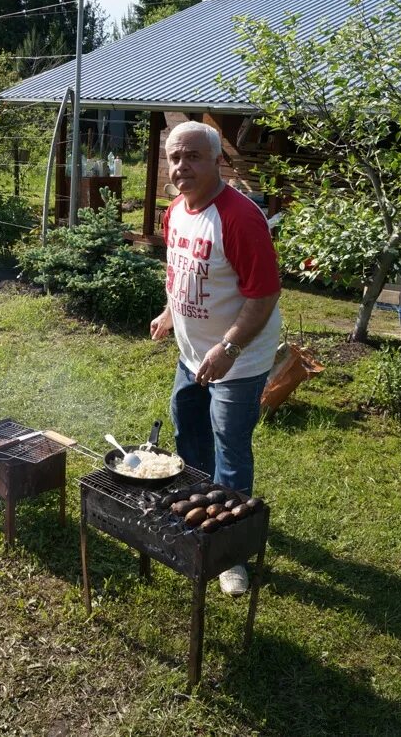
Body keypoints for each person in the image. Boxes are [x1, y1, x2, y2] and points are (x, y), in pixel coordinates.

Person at [149, 121, 282, 596]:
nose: (181, 166)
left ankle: (230, 551)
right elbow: (180, 270)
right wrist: (169, 312)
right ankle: (199, 509)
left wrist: (229, 347)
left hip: (238, 361)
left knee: (230, 447)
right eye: (174, 157)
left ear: (217, 161)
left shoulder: (240, 218)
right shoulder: (176, 212)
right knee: (187, 427)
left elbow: (263, 295)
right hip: (192, 355)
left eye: (192, 157)